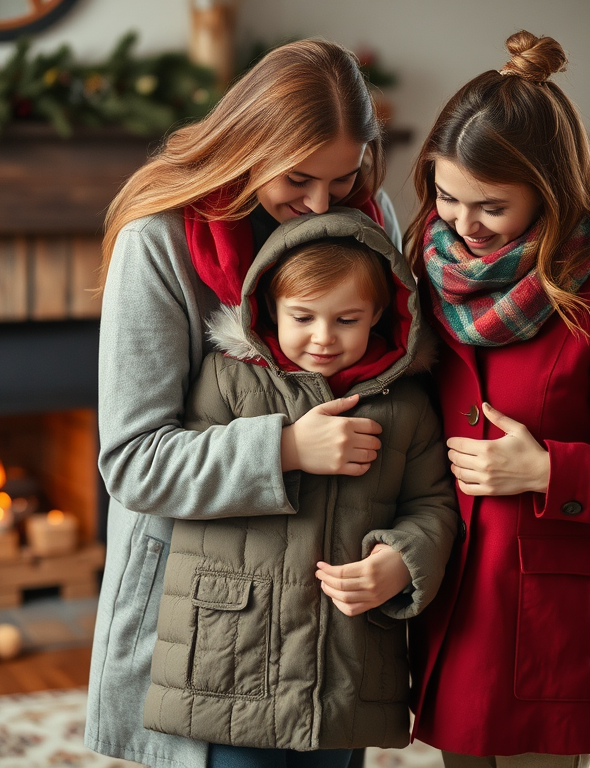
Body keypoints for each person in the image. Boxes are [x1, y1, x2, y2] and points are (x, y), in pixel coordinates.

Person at [85, 40, 410, 768]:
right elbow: (134, 464)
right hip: (204, 622)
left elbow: (394, 386)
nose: (321, 204)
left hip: (333, 623)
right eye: (298, 178)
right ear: (249, 142)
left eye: (344, 176)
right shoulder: (159, 241)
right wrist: (286, 448)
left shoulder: (368, 216)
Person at [403, 31, 590, 768]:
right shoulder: (425, 259)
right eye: (446, 195)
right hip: (450, 601)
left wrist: (547, 471)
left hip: (548, 621)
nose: (462, 225)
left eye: (491, 207)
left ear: (549, 190)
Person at [142, 208, 457, 764]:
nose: (323, 338)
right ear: (268, 308)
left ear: (380, 315)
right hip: (232, 655)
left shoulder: (405, 404)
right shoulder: (226, 380)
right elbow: (185, 475)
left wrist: (403, 561)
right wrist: (282, 448)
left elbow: (433, 503)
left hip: (345, 662)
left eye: (347, 320)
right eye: (303, 316)